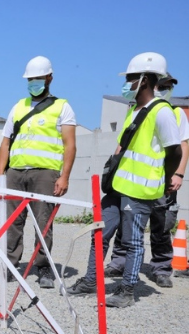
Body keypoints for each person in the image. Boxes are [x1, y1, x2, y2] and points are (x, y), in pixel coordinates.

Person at [67, 52, 182, 308]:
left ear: (143, 80)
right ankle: (91, 280)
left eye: (130, 78)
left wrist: (164, 179)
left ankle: (127, 289)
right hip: (118, 187)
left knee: (133, 241)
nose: (126, 83)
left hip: (140, 190)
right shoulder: (134, 110)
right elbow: (123, 147)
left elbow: (175, 150)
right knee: (101, 232)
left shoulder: (162, 112)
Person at [0, 56, 77, 288]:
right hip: (16, 172)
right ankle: (11, 266)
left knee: (43, 222)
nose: (34, 82)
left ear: (49, 78)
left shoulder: (62, 106)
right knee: (12, 222)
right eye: (31, 79)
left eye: (38, 78)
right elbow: (6, 142)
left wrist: (64, 176)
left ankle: (43, 268)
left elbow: (70, 144)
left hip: (45, 173)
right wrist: (1, 175)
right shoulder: (18, 106)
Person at [105, 73, 189, 287]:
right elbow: (123, 143)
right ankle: (119, 261)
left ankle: (161, 268)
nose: (165, 89)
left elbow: (182, 146)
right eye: (162, 85)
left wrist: (177, 175)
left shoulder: (175, 113)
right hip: (132, 179)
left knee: (161, 224)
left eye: (169, 86)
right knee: (127, 223)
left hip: (161, 181)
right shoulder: (136, 110)